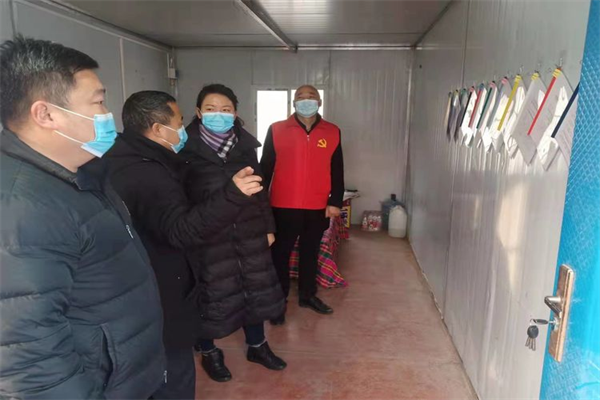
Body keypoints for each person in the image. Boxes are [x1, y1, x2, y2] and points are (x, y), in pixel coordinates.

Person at [0, 37, 165, 400]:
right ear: (46, 114)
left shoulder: (81, 173)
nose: (107, 114)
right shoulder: (23, 208)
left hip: (124, 377)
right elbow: (30, 360)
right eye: (98, 102)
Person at [182, 83, 286, 382]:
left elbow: (260, 190)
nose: (219, 114)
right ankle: (209, 351)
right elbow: (180, 199)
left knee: (253, 289)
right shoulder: (184, 149)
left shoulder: (245, 146)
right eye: (211, 109)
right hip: (208, 237)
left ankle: (258, 345)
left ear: (235, 113)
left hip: (250, 231)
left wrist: (268, 227)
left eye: (225, 109)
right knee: (210, 295)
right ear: (198, 112)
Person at [105, 91, 201, 399]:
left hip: (135, 289)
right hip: (162, 286)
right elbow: (180, 231)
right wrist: (232, 198)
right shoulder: (148, 172)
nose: (183, 129)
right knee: (174, 372)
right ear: (159, 129)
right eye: (179, 122)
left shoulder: (119, 156)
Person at [261, 84, 345, 324]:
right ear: (294, 103)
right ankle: (278, 301)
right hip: (282, 205)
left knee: (310, 252)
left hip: (317, 206)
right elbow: (265, 168)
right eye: (300, 96)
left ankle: (308, 295)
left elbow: (337, 169)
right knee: (280, 254)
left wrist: (335, 201)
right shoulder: (277, 129)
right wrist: (259, 204)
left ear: (319, 102)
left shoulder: (332, 131)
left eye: (311, 96)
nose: (306, 100)